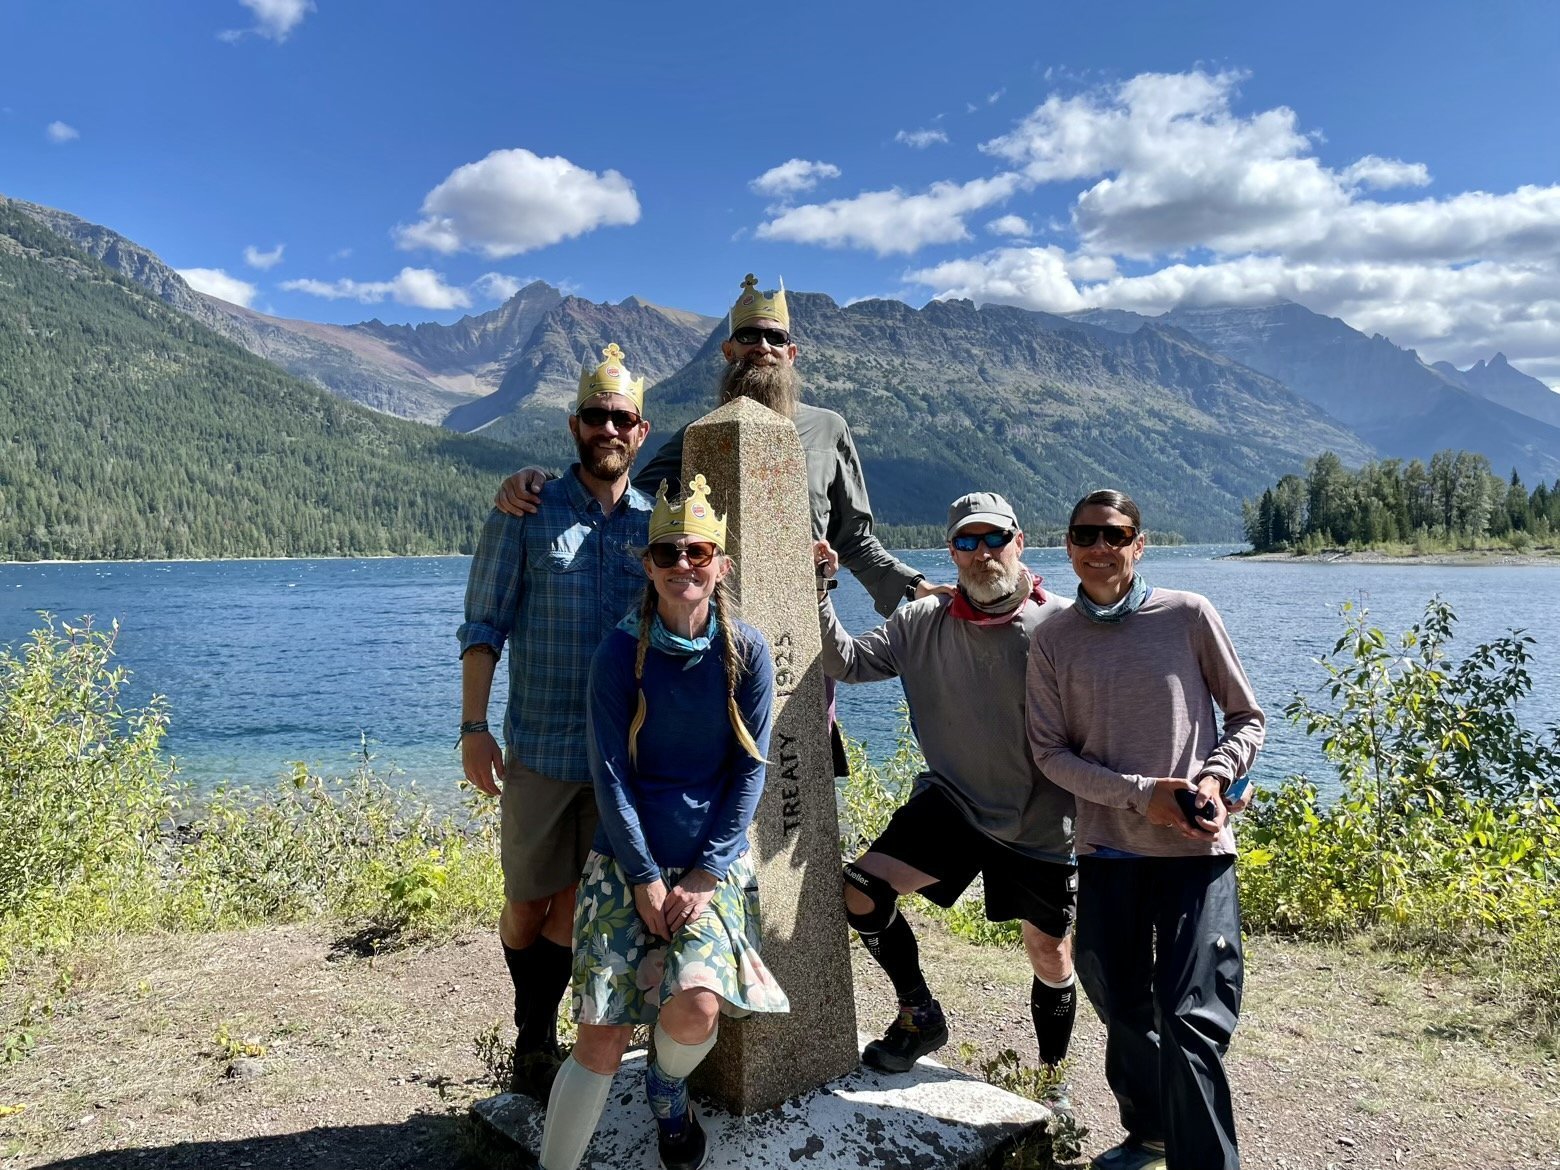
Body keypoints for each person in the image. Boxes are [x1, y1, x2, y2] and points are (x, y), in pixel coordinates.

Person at [539, 474, 789, 1170]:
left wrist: (708, 872)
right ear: (647, 565)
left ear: (721, 564)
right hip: (625, 860)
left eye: (699, 552)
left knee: (697, 1009)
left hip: (709, 867)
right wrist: (645, 878)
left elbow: (749, 771)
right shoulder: (621, 653)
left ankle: (667, 1087)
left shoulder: (748, 652)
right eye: (670, 553)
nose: (685, 565)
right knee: (599, 1039)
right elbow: (611, 773)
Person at [1025, 489, 1265, 1170]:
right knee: (1121, 1004)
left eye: (1114, 534)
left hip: (1196, 852)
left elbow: (1247, 718)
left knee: (1193, 1018)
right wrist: (1140, 796)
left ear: (1139, 543)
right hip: (1107, 851)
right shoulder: (1053, 640)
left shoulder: (1189, 616)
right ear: (1067, 546)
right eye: (1084, 535)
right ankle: (1151, 1132)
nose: (1099, 548)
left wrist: (1216, 778)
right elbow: (1049, 754)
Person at [815, 491, 1078, 1103]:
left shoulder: (1061, 626)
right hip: (954, 802)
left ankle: (1050, 1080)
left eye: (994, 539)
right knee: (861, 889)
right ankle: (919, 1014)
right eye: (967, 541)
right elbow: (846, 662)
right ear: (951, 552)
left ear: (1020, 543)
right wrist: (820, 587)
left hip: (1040, 821)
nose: (982, 553)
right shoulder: (919, 621)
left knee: (1047, 950)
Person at [493, 274, 944, 619]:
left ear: (792, 352)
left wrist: (916, 588)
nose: (762, 347)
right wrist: (542, 484)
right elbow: (626, 502)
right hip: (714, 627)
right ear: (728, 350)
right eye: (749, 336)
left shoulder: (829, 430)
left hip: (803, 626)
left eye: (775, 337)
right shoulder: (698, 435)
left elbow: (856, 541)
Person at [457, 343, 655, 1100]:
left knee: (575, 904)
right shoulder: (527, 510)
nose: (610, 429)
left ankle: (536, 1036)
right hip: (540, 745)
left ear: (641, 431)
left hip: (622, 758)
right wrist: (475, 728)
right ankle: (529, 1011)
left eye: (623, 419)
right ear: (575, 425)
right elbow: (483, 625)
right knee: (526, 899)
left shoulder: (653, 521)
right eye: (597, 417)